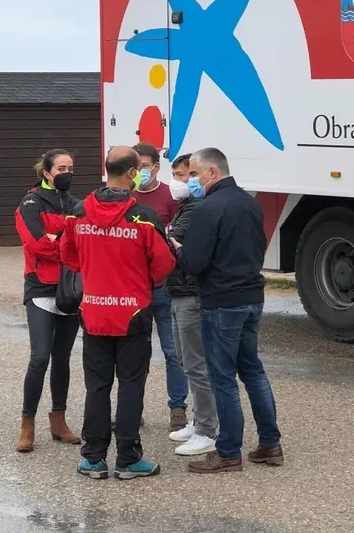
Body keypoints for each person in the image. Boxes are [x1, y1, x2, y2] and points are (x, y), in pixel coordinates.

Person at [60, 146, 175, 481]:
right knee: (130, 386)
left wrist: (96, 272)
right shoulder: (143, 216)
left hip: (94, 313)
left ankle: (93, 458)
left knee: (97, 387)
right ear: (131, 174)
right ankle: (127, 458)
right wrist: (139, 280)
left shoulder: (79, 213)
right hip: (132, 314)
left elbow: (68, 256)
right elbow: (165, 264)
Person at [173, 147, 283, 474]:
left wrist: (176, 248)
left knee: (222, 377)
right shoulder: (250, 202)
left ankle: (228, 451)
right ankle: (269, 443)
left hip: (221, 301)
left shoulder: (209, 208)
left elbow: (194, 262)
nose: (191, 180)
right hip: (252, 295)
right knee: (252, 370)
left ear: (211, 172)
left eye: (194, 173)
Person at [13, 149, 82, 453]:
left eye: (71, 167)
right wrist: (62, 245)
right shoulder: (31, 202)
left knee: (63, 359)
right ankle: (27, 424)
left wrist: (60, 241)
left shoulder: (76, 203)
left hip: (69, 289)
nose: (68, 171)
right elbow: (36, 243)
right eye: (62, 167)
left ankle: (59, 419)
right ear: (46, 172)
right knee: (40, 357)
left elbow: (82, 242)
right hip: (40, 287)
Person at [130, 142, 188, 432]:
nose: (141, 171)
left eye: (145, 165)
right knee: (134, 353)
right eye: (136, 165)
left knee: (173, 351)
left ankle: (178, 408)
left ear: (155, 167)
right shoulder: (124, 197)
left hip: (163, 287)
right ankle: (132, 409)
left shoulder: (170, 197)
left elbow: (182, 235)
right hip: (133, 289)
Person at [165, 153, 217, 456]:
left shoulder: (195, 206)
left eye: (184, 175)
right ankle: (199, 421)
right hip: (178, 290)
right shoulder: (184, 206)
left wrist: (166, 236)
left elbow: (173, 240)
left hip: (191, 292)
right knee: (186, 360)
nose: (178, 181)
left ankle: (207, 429)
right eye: (176, 174)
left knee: (196, 364)